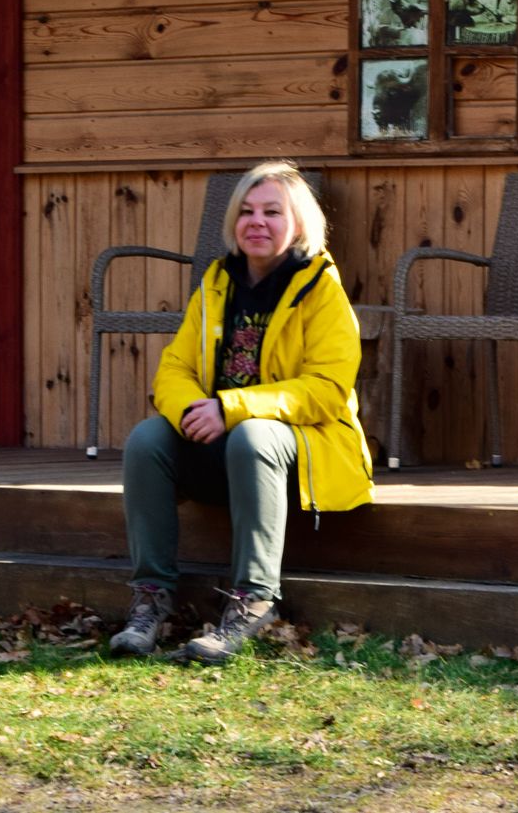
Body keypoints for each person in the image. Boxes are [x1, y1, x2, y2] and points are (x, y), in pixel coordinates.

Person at [110, 161, 374, 662]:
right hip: (221, 447)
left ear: (298, 223)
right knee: (148, 439)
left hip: (301, 455)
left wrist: (231, 409)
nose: (257, 222)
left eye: (272, 212)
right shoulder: (217, 283)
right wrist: (193, 411)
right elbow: (175, 368)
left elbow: (327, 390)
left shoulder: (323, 291)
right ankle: (149, 599)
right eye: (247, 212)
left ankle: (253, 601)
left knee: (254, 435)